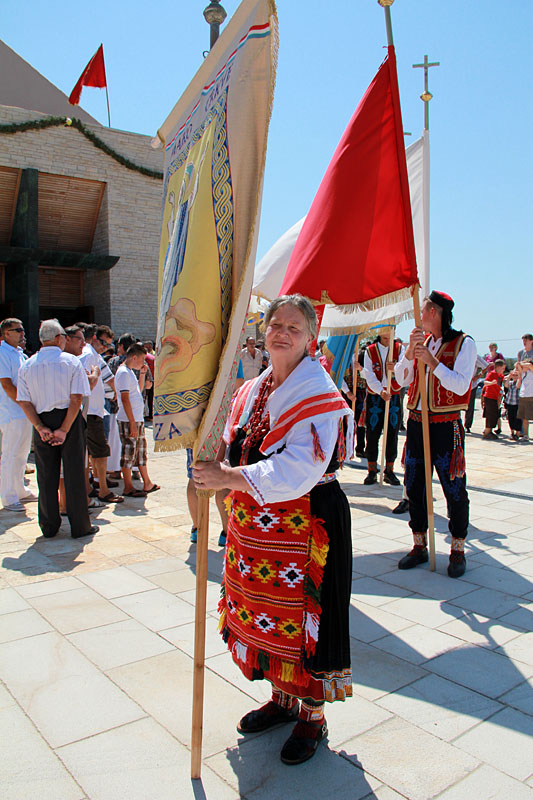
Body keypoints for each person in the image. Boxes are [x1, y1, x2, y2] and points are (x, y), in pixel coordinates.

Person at [193, 294, 352, 766]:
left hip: (307, 529)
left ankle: (312, 717)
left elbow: (300, 468)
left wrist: (227, 478)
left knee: (307, 625)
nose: (282, 332)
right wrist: (211, 464)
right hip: (258, 530)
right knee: (265, 617)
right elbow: (234, 440)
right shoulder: (253, 387)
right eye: (275, 324)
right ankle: (282, 700)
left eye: (294, 327)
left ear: (311, 338)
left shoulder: (318, 394)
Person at [394, 291, 476, 578]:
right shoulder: (421, 342)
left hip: (445, 425)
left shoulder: (464, 344)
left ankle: (457, 549)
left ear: (435, 312)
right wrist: (408, 353)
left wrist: (432, 362)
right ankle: (419, 545)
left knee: (453, 489)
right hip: (417, 423)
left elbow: (461, 385)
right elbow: (401, 380)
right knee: (414, 486)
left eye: (424, 308)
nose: (419, 314)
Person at [17, 319, 97, 539]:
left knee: (46, 475)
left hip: (41, 418)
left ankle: (49, 526)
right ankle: (80, 526)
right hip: (68, 419)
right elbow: (76, 398)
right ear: (59, 338)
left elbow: (24, 401)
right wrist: (64, 429)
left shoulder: (27, 365)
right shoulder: (70, 362)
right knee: (74, 474)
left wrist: (40, 426)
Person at [80, 325, 123, 503]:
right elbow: (85, 380)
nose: (106, 348)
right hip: (90, 411)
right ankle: (103, 491)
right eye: (104, 343)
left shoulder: (94, 355)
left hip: (94, 409)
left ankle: (90, 486)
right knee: (100, 450)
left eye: (108, 346)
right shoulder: (88, 355)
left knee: (91, 452)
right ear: (95, 338)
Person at [0, 318, 36, 511]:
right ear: (6, 333)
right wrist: (24, 403)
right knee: (10, 454)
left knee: (22, 453)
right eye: (18, 330)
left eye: (22, 329)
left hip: (23, 411)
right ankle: (8, 496)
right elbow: (6, 384)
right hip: (11, 411)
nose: (23, 333)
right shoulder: (2, 353)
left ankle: (20, 490)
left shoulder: (19, 353)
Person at [115, 344, 160, 496]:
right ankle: (128, 486)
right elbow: (125, 399)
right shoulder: (123, 373)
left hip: (136, 418)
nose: (143, 363)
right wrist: (132, 423)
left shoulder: (129, 373)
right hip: (129, 420)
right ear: (134, 357)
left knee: (139, 452)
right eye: (142, 360)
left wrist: (142, 374)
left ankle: (147, 482)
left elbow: (137, 392)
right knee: (129, 452)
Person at [362, 331, 404, 485]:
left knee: (392, 432)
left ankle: (390, 470)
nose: (388, 340)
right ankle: (372, 469)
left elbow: (406, 372)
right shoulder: (370, 350)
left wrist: (397, 368)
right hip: (375, 396)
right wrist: (380, 391)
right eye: (385, 337)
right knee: (372, 433)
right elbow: (368, 374)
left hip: (393, 395)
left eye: (390, 337)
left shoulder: (399, 349)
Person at [481, 359, 506, 440]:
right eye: (502, 368)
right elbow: (485, 382)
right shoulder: (492, 374)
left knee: (494, 415)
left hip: (495, 397)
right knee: (490, 415)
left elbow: (504, 379)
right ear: (498, 367)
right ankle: (487, 432)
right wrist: (491, 383)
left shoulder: (500, 375)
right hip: (489, 397)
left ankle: (489, 431)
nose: (503, 370)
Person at [464, 354, 489, 433]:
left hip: (471, 385)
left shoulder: (475, 356)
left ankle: (467, 425)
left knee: (470, 406)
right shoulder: (458, 352)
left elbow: (486, 366)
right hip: (459, 383)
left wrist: (478, 376)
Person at [504, 364, 523, 441]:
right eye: (514, 375)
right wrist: (509, 376)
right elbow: (506, 385)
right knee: (510, 418)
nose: (514, 376)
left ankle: (517, 433)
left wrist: (519, 376)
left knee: (517, 419)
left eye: (516, 375)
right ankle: (512, 432)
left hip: (517, 403)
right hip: (510, 402)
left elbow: (518, 386)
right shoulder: (511, 383)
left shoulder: (520, 382)